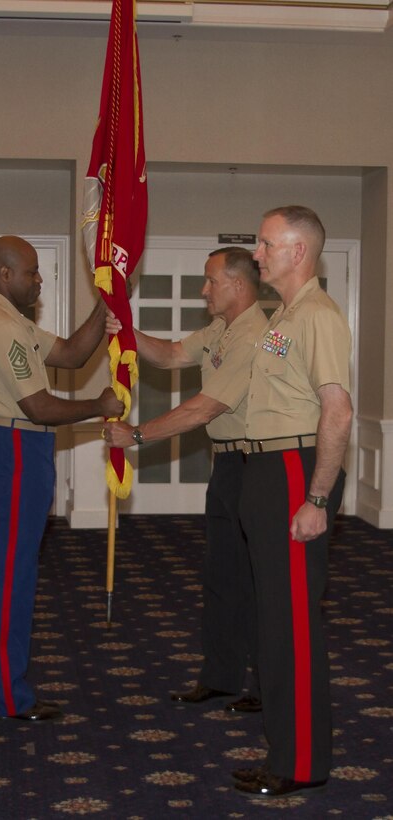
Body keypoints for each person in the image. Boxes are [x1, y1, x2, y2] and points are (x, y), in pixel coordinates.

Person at [0, 235, 123, 722]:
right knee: (11, 578)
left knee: (17, 574)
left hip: (21, 449)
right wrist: (99, 407)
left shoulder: (12, 320)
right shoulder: (2, 327)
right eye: (31, 272)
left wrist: (107, 300)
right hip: (13, 450)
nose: (39, 280)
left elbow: (74, 353)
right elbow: (40, 406)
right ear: (4, 274)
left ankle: (6, 690)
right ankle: (5, 698)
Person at [103, 247, 267, 712]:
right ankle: (220, 677)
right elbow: (174, 355)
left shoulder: (255, 334)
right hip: (229, 466)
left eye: (211, 281)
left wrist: (136, 434)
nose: (203, 290)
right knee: (220, 575)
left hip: (259, 469)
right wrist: (128, 332)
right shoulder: (222, 328)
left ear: (237, 284)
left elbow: (205, 407)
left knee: (256, 581)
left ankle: (265, 685)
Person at [232, 207, 353, 798]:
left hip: (293, 472)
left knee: (293, 627)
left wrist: (317, 498)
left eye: (266, 243)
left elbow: (339, 410)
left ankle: (301, 764)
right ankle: (286, 748)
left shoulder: (319, 316)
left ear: (298, 251)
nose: (257, 253)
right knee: (273, 621)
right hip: (267, 468)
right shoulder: (286, 315)